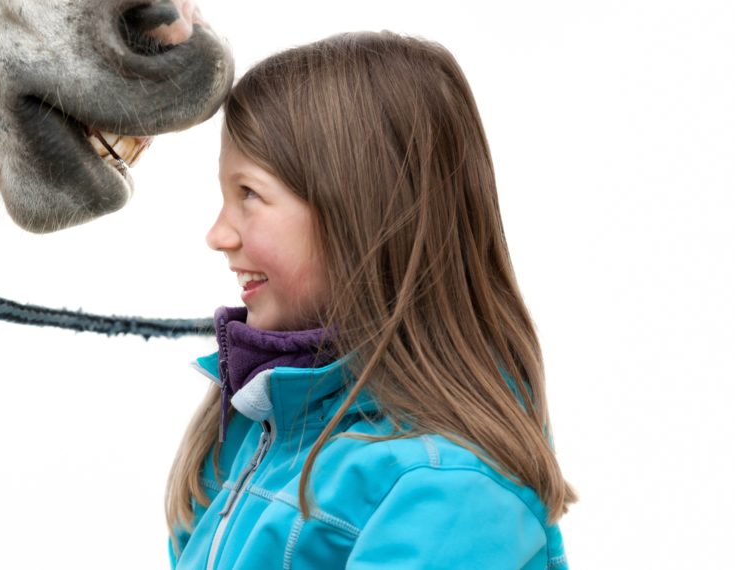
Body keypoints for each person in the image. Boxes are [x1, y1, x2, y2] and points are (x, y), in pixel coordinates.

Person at [165, 31, 576, 568]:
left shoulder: (446, 491)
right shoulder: (250, 431)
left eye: (249, 194)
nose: (219, 234)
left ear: (361, 210)